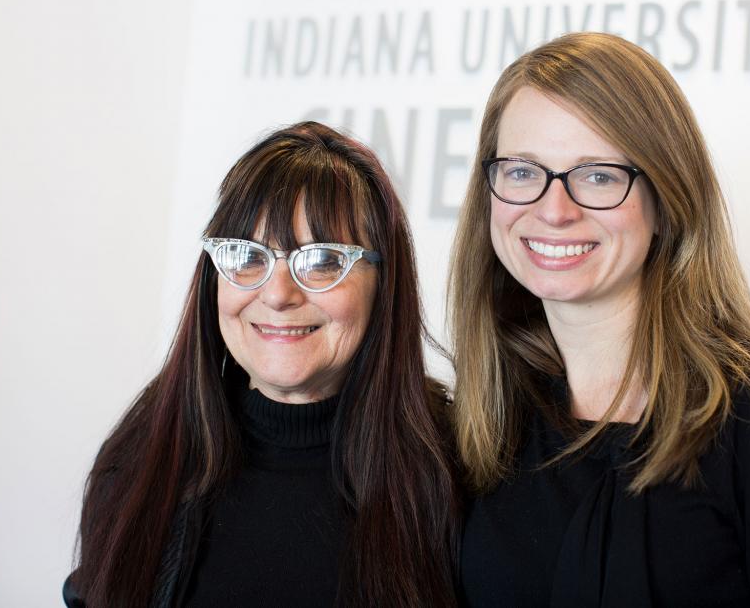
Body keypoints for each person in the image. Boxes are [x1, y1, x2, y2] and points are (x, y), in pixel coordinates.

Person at [448, 33, 750, 606]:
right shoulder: (483, 422)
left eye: (598, 175)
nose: (553, 210)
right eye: (523, 170)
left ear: (667, 200)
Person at [64, 122, 458, 607]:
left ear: (385, 282)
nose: (276, 294)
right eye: (247, 257)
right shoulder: (144, 457)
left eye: (321, 262)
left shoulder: (452, 477)